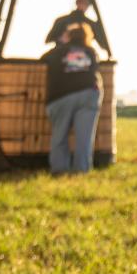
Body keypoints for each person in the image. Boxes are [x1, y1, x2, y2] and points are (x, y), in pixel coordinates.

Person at [41, 21, 103, 173]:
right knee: (85, 138)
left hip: (62, 97)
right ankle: (81, 170)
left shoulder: (57, 52)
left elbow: (42, 59)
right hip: (89, 94)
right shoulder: (91, 51)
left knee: (59, 135)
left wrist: (61, 44)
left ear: (67, 36)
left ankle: (60, 170)